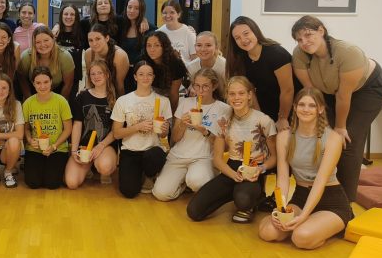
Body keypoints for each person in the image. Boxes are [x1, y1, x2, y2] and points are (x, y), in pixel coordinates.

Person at [290, 15, 382, 201]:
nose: (304, 42)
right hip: (328, 92)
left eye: (308, 35)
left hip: (367, 90)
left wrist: (340, 127)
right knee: (325, 136)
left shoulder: (348, 52)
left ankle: (345, 203)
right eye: (299, 39)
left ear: (321, 31)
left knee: (346, 141)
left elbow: (344, 96)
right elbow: (312, 92)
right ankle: (324, 192)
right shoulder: (300, 54)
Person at [258, 88, 354, 249]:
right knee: (268, 232)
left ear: (320, 109)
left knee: (301, 237)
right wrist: (279, 209)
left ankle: (320, 226)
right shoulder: (284, 137)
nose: (306, 109)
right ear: (295, 107)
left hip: (331, 202)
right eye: (301, 105)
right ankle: (310, 224)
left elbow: (320, 182)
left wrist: (303, 216)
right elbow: (283, 178)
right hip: (301, 198)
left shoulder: (333, 138)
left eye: (312, 105)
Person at [187, 76, 277, 224]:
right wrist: (233, 175)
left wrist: (261, 169)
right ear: (227, 96)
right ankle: (234, 192)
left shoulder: (264, 120)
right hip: (232, 168)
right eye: (232, 94)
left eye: (241, 93)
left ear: (249, 95)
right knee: (194, 211)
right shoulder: (223, 121)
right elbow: (217, 159)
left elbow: (274, 157)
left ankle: (252, 199)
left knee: (243, 200)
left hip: (254, 170)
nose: (236, 98)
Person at [153, 68, 230, 201]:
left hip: (203, 157)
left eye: (205, 86)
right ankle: (183, 184)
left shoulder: (224, 109)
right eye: (197, 86)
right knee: (161, 194)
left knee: (197, 182)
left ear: (214, 86)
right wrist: (182, 124)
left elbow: (225, 148)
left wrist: (205, 131)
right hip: (179, 156)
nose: (200, 91)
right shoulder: (185, 103)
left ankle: (193, 180)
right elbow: (175, 138)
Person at [111, 60, 172, 198]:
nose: (145, 77)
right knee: (129, 191)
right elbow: (116, 134)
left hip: (152, 150)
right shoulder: (123, 100)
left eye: (149, 74)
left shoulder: (163, 101)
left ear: (153, 77)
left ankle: (150, 174)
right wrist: (138, 127)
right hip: (130, 151)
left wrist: (164, 130)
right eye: (141, 74)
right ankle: (139, 174)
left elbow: (164, 136)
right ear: (135, 77)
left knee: (155, 155)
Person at [227, 16, 294, 131]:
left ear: (255, 31)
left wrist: (283, 118)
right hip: (265, 104)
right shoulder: (241, 57)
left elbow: (287, 90)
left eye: (246, 33)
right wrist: (259, 118)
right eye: (237, 38)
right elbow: (251, 90)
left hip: (288, 107)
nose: (243, 40)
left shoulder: (276, 53)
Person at [65, 60, 118, 189]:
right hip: (84, 147)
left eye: (100, 73)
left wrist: (100, 146)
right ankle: (88, 166)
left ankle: (99, 167)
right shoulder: (82, 96)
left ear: (107, 75)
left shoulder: (116, 99)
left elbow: (116, 131)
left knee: (105, 167)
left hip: (105, 146)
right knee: (71, 183)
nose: (96, 76)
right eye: (93, 74)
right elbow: (77, 125)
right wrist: (74, 150)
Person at [22, 66, 72, 189]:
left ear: (51, 81)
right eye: (38, 83)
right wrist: (30, 140)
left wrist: (54, 146)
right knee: (33, 183)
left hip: (57, 148)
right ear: (33, 84)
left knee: (52, 183)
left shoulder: (61, 101)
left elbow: (68, 129)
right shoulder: (28, 103)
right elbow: (26, 128)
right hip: (35, 149)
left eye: (46, 82)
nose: (42, 86)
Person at [17, 26, 75, 99]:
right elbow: (22, 79)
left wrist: (60, 103)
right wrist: (29, 99)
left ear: (53, 39)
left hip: (57, 91)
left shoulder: (64, 56)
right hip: (33, 92)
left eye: (46, 40)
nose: (43, 45)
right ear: (34, 44)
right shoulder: (26, 56)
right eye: (38, 42)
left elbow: (68, 84)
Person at [140, 30, 187, 113]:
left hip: (173, 97)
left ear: (164, 47)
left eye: (157, 45)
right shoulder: (143, 60)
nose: (152, 49)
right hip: (151, 96)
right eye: (149, 45)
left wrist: (171, 115)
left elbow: (173, 94)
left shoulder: (176, 64)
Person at [84, 24, 129, 96]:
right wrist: (87, 95)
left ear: (107, 38)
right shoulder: (88, 53)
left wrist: (120, 102)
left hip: (116, 92)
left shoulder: (119, 55)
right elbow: (89, 77)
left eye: (98, 39)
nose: (94, 43)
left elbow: (119, 85)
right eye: (91, 40)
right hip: (97, 90)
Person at [52, 3, 84, 98]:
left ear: (76, 17)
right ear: (61, 16)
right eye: (66, 14)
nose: (69, 17)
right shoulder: (55, 33)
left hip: (73, 78)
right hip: (56, 77)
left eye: (72, 14)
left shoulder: (82, 32)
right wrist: (57, 26)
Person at [117, 0, 147, 93]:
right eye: (129, 7)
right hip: (121, 73)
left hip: (139, 74)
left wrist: (143, 19)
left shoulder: (147, 29)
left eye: (136, 8)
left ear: (141, 10)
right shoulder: (120, 26)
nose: (132, 10)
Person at [185, 31, 226, 97]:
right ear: (195, 47)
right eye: (199, 45)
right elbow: (192, 87)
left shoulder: (225, 66)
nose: (203, 49)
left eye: (208, 45)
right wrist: (192, 87)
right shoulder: (191, 67)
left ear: (216, 47)